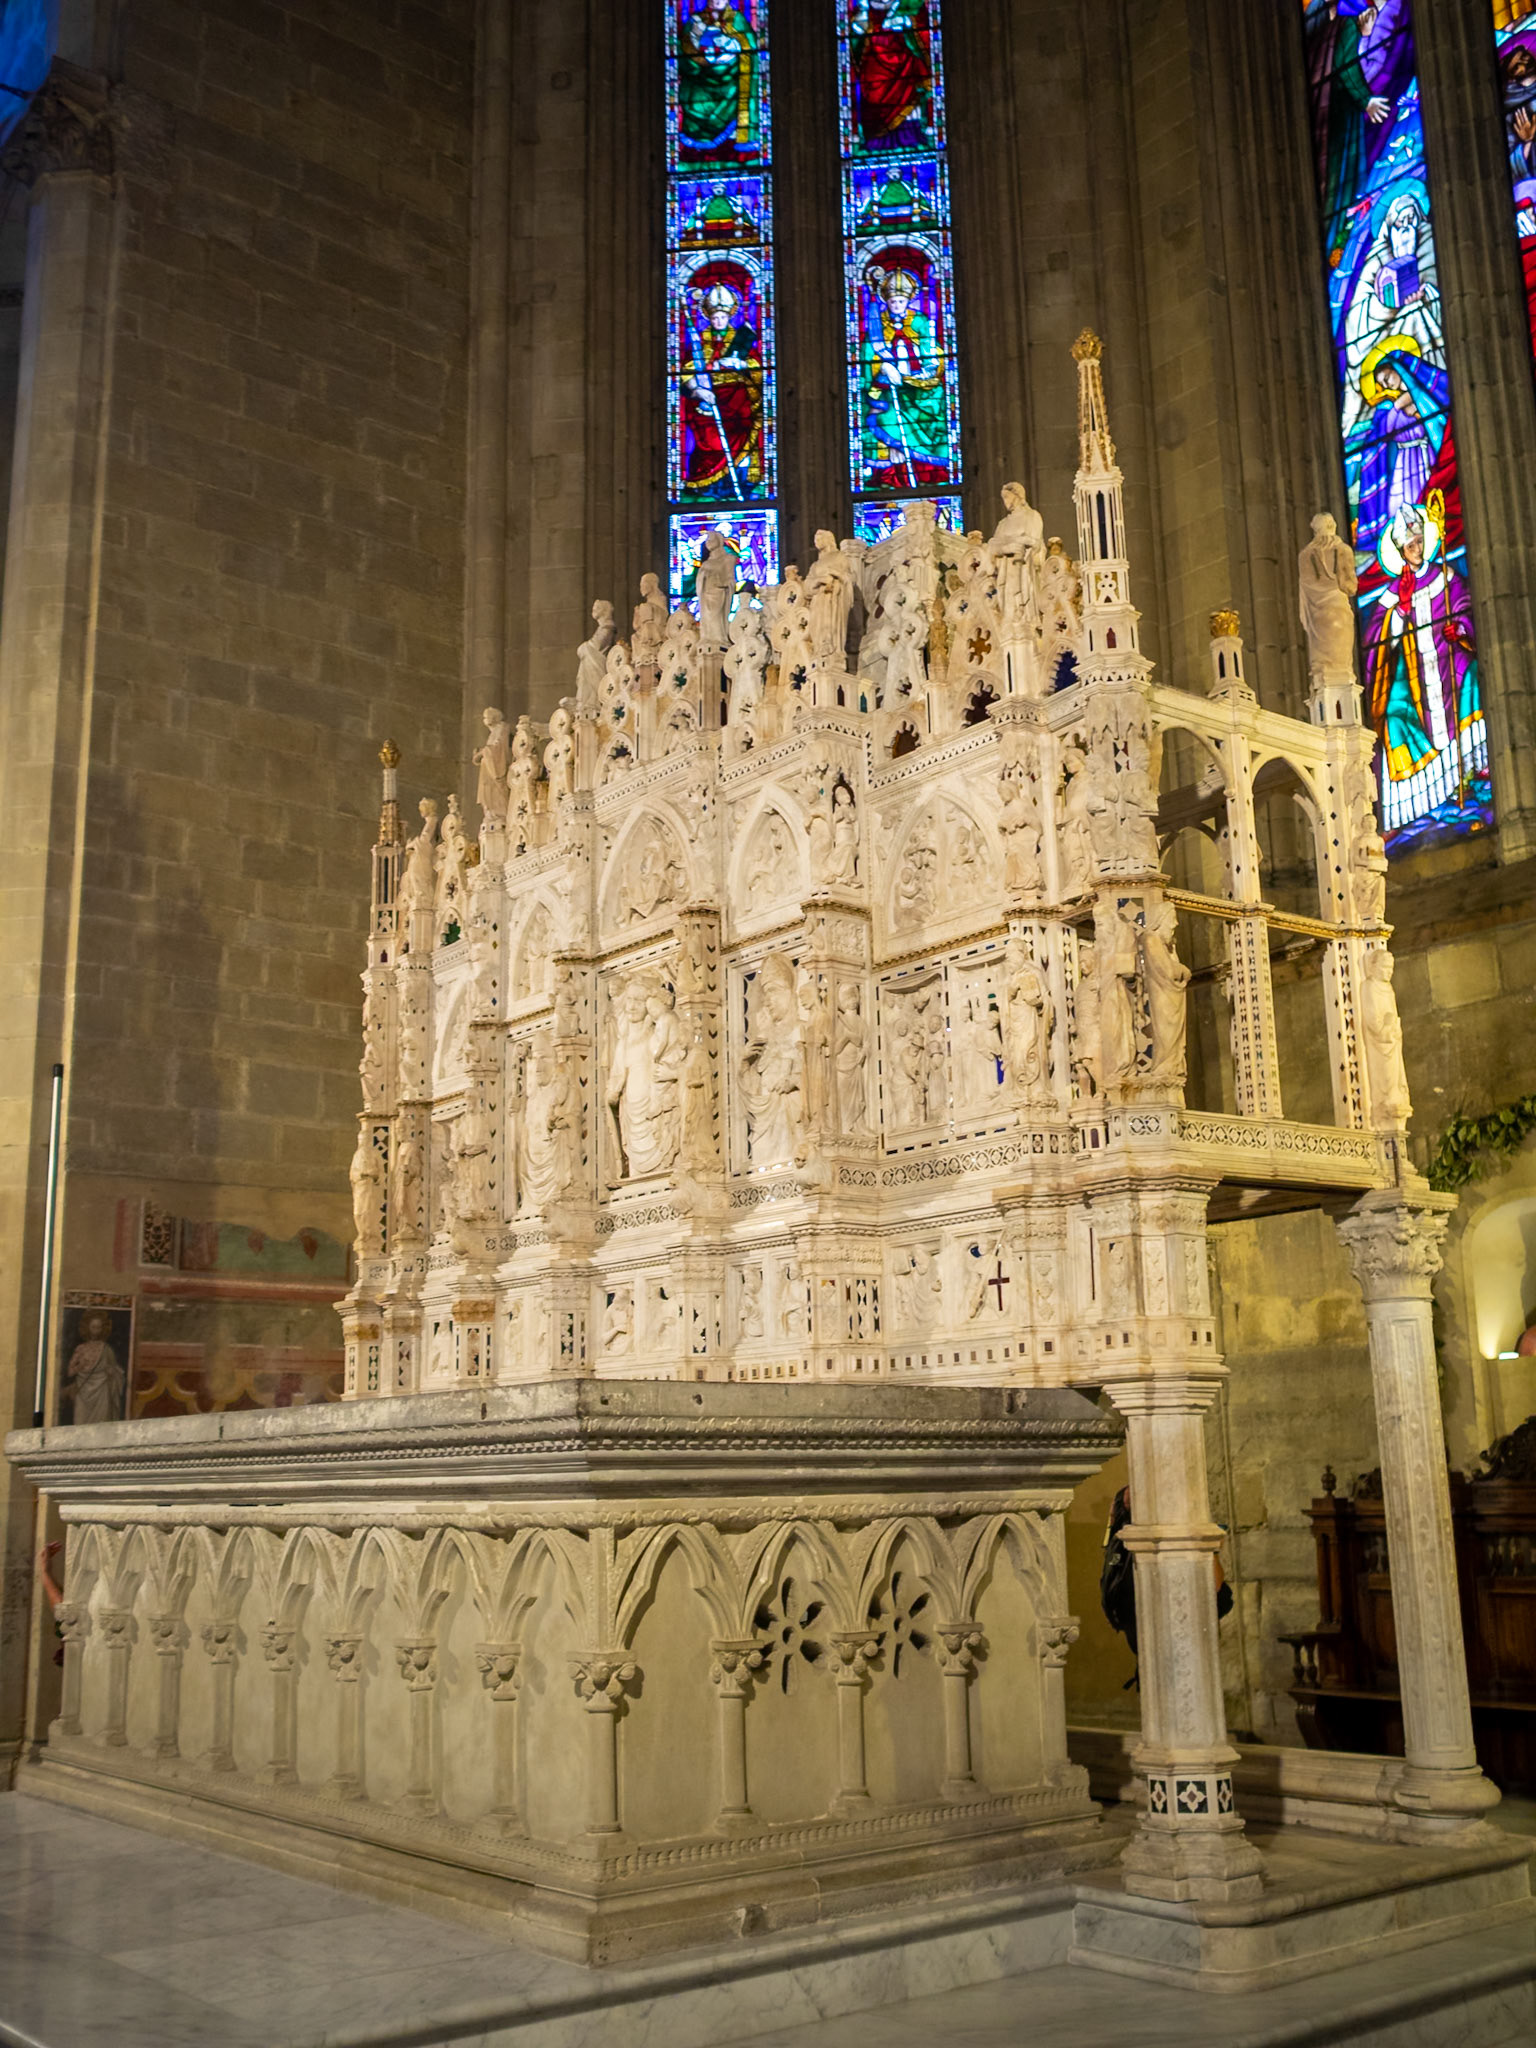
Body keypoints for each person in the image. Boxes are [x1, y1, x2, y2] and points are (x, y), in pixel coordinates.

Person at [1100, 1486, 1233, 1690]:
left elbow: (1214, 1588)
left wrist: (1210, 1550)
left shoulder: (1156, 1538)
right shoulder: (1127, 1544)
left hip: (1177, 1639)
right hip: (1157, 1640)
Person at [64, 1311, 126, 1424]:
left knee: (102, 1424)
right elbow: (70, 1372)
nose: (96, 1330)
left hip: (102, 1391)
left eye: (99, 1327)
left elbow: (116, 1372)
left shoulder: (107, 1349)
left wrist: (112, 1372)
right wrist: (81, 1365)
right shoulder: (81, 1349)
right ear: (87, 1328)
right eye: (93, 1327)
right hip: (83, 1393)